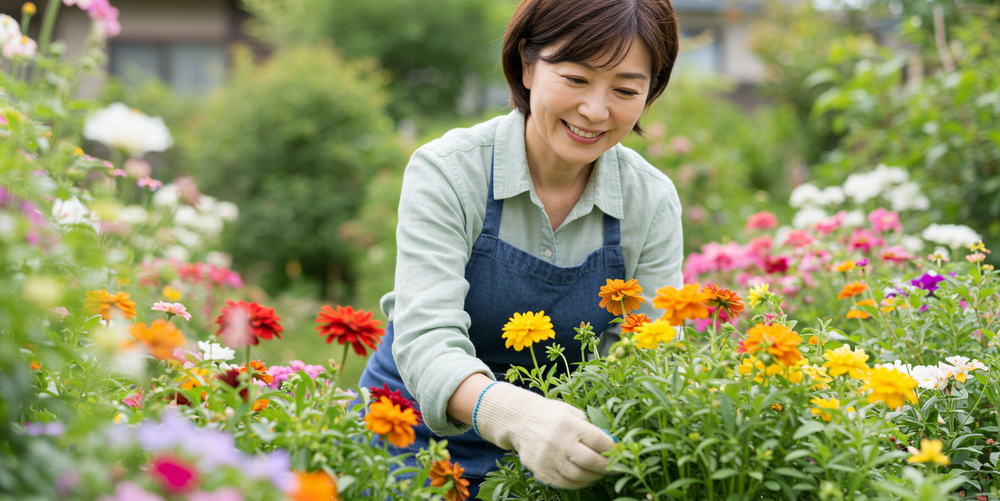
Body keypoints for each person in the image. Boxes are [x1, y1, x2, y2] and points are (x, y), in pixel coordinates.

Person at [358, 0, 682, 495]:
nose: (596, 111)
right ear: (528, 65)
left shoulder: (650, 201)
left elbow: (648, 354)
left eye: (625, 89)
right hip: (408, 439)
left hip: (561, 458)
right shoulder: (449, 171)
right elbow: (426, 338)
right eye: (576, 79)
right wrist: (519, 417)